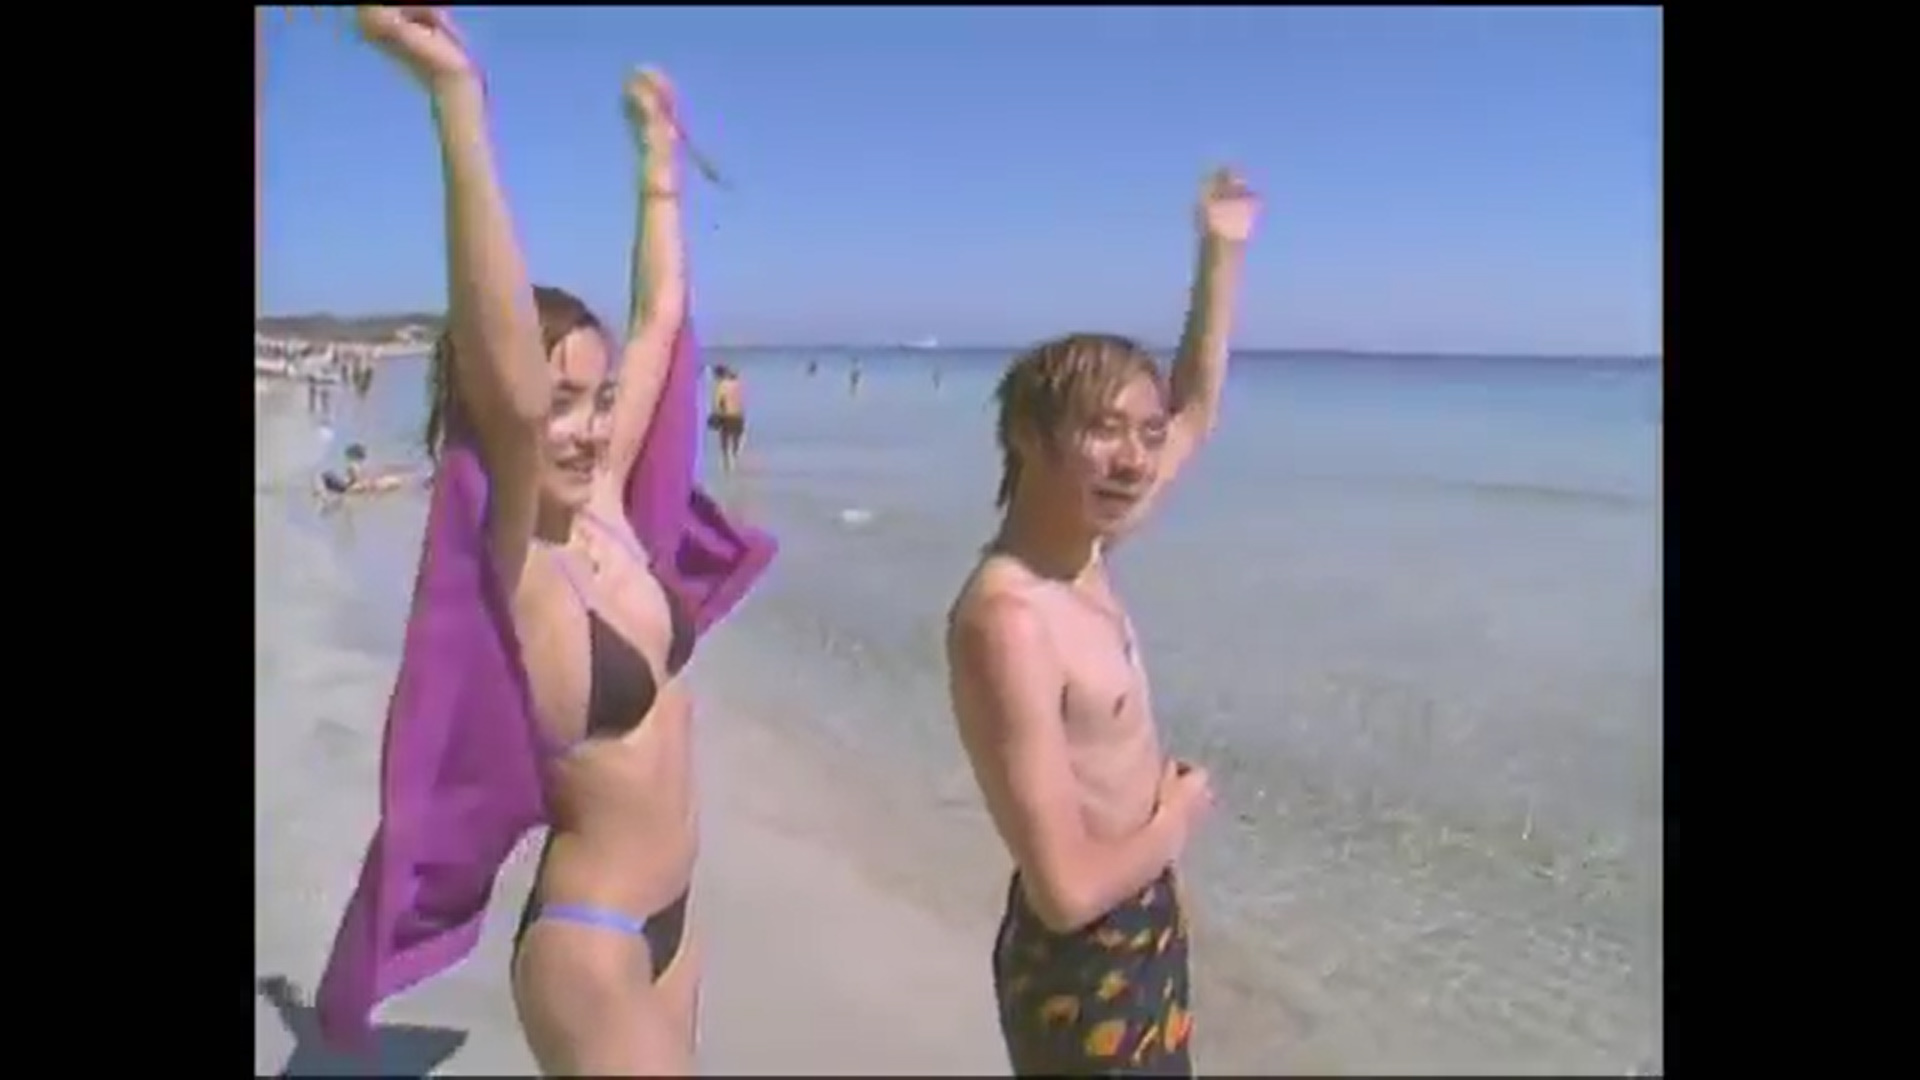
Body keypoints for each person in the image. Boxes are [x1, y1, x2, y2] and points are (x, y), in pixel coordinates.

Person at [355, 9, 708, 1073]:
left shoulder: (601, 506)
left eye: (596, 401)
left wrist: (658, 169)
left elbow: (660, 319)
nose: (589, 428)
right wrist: (457, 103)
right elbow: (507, 391)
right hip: (589, 943)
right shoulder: (515, 560)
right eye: (562, 404)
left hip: (674, 919)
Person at [944, 168, 1260, 1076]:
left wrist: (1221, 253)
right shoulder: (1009, 621)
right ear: (1028, 437)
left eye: (1144, 435)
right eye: (1102, 430)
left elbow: (1194, 411)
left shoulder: (1084, 550)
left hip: (1142, 926)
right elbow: (1066, 889)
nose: (1134, 459)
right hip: (1084, 970)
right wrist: (1177, 815)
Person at [315, 442, 415, 500]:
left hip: (347, 488)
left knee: (326, 475)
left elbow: (355, 480)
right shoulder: (356, 465)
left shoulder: (353, 465)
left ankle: (322, 491)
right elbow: (357, 480)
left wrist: (352, 484)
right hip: (349, 487)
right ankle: (323, 491)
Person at [706, 363, 746, 471]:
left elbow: (717, 403)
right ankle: (736, 460)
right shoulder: (737, 384)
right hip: (738, 415)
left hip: (726, 415)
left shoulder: (721, 385)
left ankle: (727, 464)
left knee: (725, 441)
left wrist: (714, 416)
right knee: (736, 439)